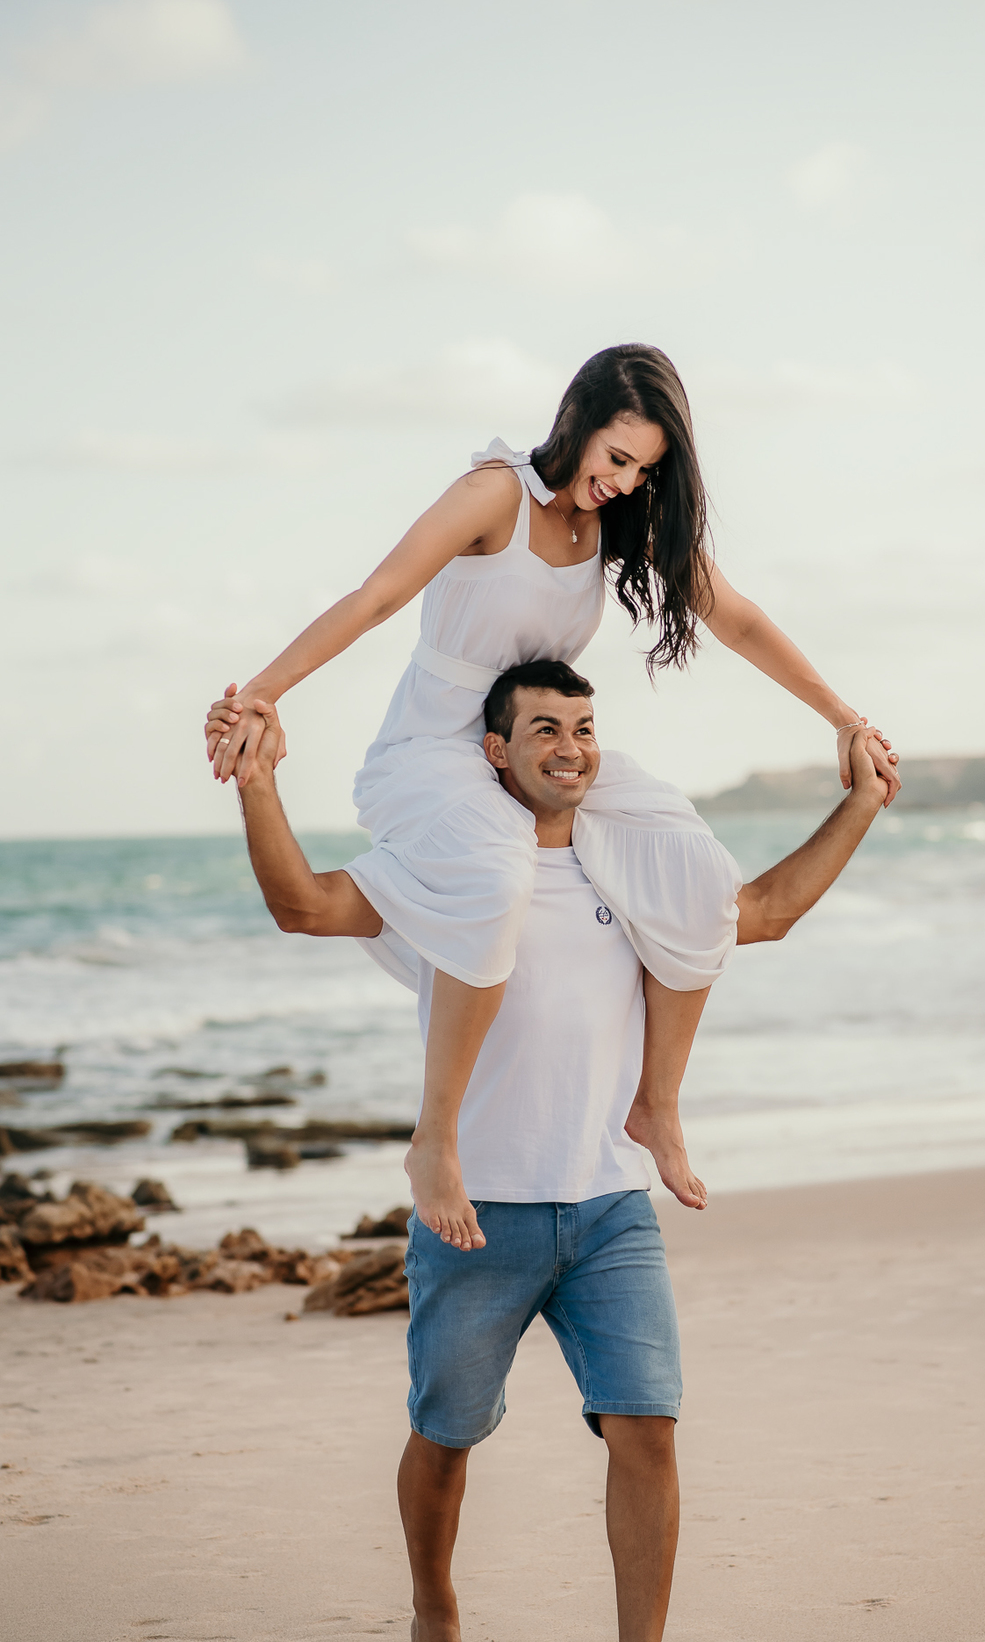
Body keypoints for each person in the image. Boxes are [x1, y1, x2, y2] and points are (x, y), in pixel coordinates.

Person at [227, 660, 890, 1642]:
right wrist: (259, 784)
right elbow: (303, 903)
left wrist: (860, 797)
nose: (569, 745)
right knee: (447, 1432)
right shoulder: (446, 870)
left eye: (584, 726)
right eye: (543, 727)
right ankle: (434, 1604)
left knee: (650, 1429)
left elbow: (758, 914)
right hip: (475, 1215)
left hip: (610, 1208)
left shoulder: (632, 863)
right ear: (495, 749)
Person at [204, 343, 900, 1258]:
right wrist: (261, 691)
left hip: (539, 747)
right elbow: (377, 596)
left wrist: (843, 716)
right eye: (616, 457)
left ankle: (654, 1104)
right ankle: (438, 1139)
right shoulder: (498, 494)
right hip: (439, 749)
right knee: (498, 876)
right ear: (576, 421)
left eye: (644, 468)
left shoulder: (618, 523)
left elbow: (733, 615)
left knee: (689, 865)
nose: (622, 481)